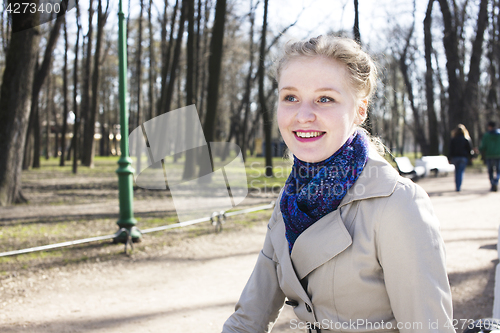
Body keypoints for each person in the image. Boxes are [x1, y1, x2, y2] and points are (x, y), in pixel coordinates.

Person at [222, 36, 454, 333]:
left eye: (325, 99)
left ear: (360, 110)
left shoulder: (397, 203)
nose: (303, 115)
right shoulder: (291, 198)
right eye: (290, 97)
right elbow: (248, 319)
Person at [449, 124, 473, 191]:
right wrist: (471, 157)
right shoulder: (466, 138)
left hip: (455, 157)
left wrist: (449, 158)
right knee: (460, 172)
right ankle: (459, 186)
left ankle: (457, 186)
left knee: (456, 172)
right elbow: (469, 149)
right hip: (463, 157)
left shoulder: (453, 139)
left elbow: (450, 149)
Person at [479, 121, 500, 192]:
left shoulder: (486, 135)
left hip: (489, 155)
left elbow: (483, 146)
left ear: (490, 126)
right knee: (498, 171)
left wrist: (479, 149)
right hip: (498, 155)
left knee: (490, 171)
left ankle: (492, 183)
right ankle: (496, 181)